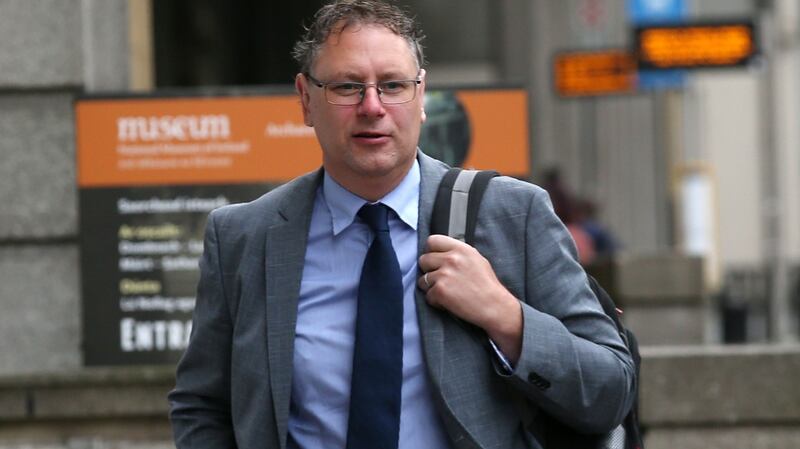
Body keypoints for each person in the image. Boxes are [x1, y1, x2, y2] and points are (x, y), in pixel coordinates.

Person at [168, 1, 635, 448]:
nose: (372, 106)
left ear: (421, 96)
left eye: (392, 85)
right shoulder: (243, 238)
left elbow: (611, 389)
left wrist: (506, 317)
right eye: (347, 87)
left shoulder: (514, 216)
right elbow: (202, 403)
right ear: (306, 100)